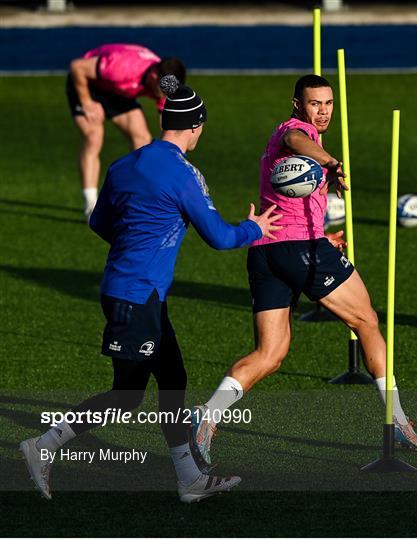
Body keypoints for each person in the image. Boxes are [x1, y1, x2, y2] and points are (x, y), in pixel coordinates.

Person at [19, 75, 282, 504]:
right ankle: (44, 444)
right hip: (137, 297)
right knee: (127, 395)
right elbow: (218, 237)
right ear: (196, 126)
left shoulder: (123, 164)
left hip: (132, 293)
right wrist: (255, 228)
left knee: (172, 378)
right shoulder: (184, 174)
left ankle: (188, 478)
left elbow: (99, 223)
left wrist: (134, 248)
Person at [192, 74, 417, 466]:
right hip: (298, 249)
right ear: (297, 103)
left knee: (270, 353)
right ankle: (397, 419)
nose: (323, 111)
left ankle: (206, 416)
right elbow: (294, 141)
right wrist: (330, 161)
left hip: (267, 252)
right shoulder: (295, 131)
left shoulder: (302, 138)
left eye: (328, 103)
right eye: (315, 103)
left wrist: (321, 236)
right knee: (366, 320)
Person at [67, 43, 186, 219]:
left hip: (119, 92)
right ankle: (91, 207)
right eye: (162, 90)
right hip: (87, 84)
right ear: (154, 76)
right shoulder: (122, 68)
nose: (164, 94)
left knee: (143, 139)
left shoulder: (166, 83)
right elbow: (77, 67)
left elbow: (166, 126)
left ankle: (143, 198)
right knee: (94, 136)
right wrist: (87, 102)